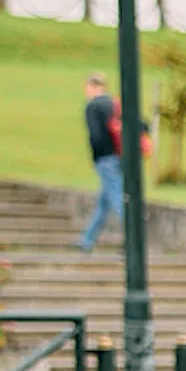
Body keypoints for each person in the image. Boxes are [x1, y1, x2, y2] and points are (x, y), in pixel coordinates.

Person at [78, 75, 122, 252]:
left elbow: (95, 135)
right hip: (119, 156)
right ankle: (87, 239)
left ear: (94, 87)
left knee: (117, 197)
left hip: (105, 158)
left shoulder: (94, 106)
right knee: (104, 201)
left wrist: (96, 156)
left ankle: (135, 234)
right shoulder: (114, 105)